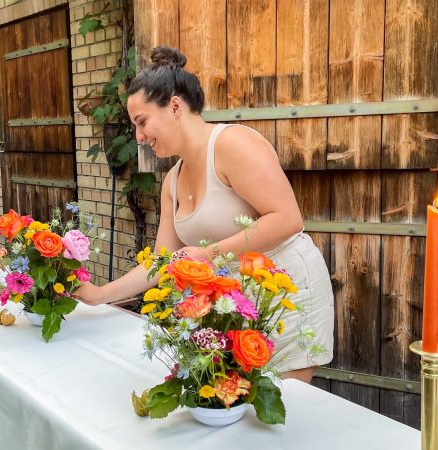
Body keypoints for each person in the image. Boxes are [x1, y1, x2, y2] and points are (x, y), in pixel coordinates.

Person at [75, 46, 334, 383]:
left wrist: (207, 254)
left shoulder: (231, 144)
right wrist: (97, 295)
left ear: (175, 106)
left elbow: (287, 219)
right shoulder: (172, 180)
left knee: (279, 414)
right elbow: (161, 260)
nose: (138, 136)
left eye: (142, 122)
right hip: (234, 305)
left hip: (285, 293)